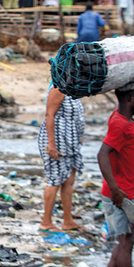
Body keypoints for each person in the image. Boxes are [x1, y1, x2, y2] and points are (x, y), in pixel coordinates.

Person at [97, 82, 134, 267]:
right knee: (125, 241)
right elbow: (102, 154)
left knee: (132, 237)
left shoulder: (126, 119)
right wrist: (115, 189)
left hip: (127, 191)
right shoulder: (121, 124)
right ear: (129, 99)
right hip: (119, 194)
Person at [38, 85, 84, 232]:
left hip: (71, 142)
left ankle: (68, 220)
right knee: (54, 180)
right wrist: (52, 144)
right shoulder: (58, 88)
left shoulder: (73, 89)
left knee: (69, 180)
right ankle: (46, 222)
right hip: (57, 141)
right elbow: (49, 115)